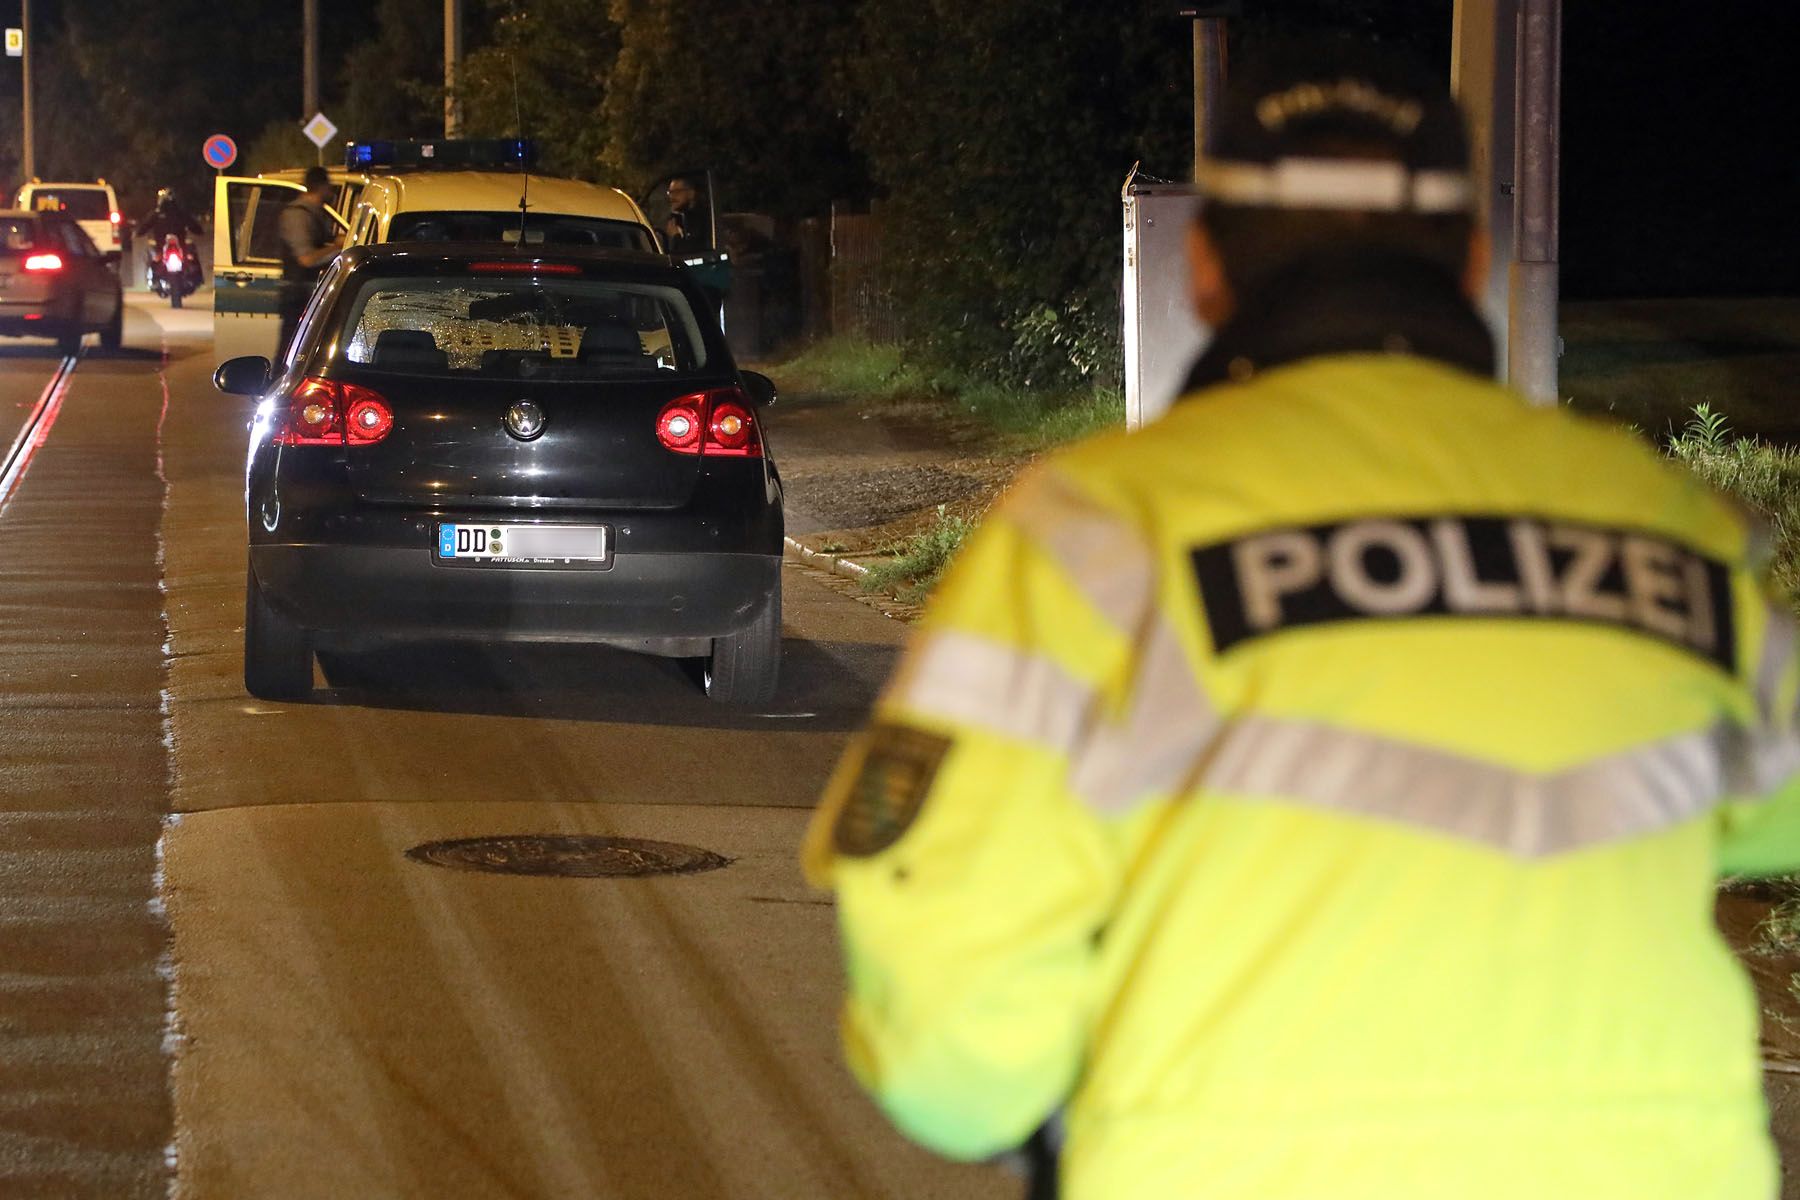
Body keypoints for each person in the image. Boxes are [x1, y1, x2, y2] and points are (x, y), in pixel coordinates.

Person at [802, 41, 1800, 1200]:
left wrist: (1017, 1092)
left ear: (1210, 274)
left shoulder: (1095, 537)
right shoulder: (1665, 525)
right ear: (1472, 259)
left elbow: (949, 994)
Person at [276, 166, 342, 360]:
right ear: (321, 186)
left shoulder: (315, 213)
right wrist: (336, 246)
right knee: (289, 353)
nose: (331, 192)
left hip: (308, 293)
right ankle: (278, 387)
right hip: (297, 295)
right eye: (329, 186)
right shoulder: (298, 214)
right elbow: (306, 259)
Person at [662, 174, 707, 257]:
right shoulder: (675, 219)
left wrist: (676, 236)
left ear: (691, 193)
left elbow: (691, 252)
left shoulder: (703, 219)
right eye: (670, 192)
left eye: (677, 192)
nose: (672, 197)